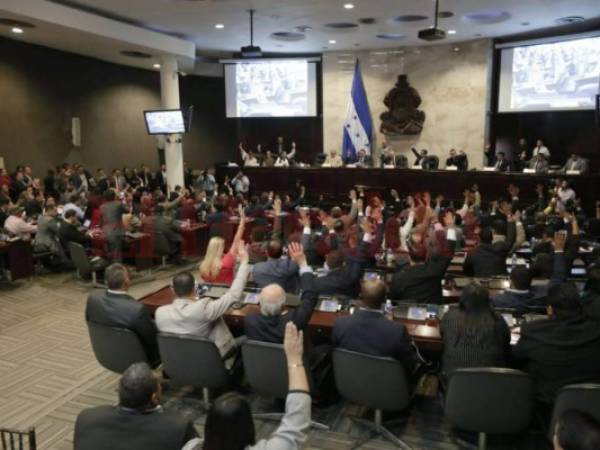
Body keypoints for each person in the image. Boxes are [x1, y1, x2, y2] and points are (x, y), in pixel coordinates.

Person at [183, 322, 311, 450]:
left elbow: (297, 419)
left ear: (209, 425)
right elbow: (297, 418)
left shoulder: (191, 446)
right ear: (248, 425)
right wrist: (295, 360)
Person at [155, 245, 250, 360]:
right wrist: (244, 262)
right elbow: (234, 295)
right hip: (209, 362)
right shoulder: (203, 309)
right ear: (196, 288)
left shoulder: (159, 313)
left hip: (179, 362)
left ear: (172, 290)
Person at [74, 362, 198, 450]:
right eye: (160, 386)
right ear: (154, 398)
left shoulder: (87, 417)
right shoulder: (178, 426)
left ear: (120, 391)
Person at [513, 282, 600, 405]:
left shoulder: (532, 331)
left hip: (545, 404)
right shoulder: (596, 330)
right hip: (591, 404)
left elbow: (516, 357)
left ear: (550, 309)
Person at [332, 279, 417, 377]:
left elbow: (336, 354)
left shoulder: (340, 323)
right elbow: (409, 367)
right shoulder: (397, 331)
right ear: (385, 299)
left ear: (360, 296)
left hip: (348, 382)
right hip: (385, 386)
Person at [244, 243, 318, 345]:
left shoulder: (250, 321)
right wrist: (303, 263)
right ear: (284, 307)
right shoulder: (295, 321)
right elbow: (310, 297)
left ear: (260, 304)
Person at [85, 264, 159, 363]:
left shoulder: (93, 299)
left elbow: (88, 320)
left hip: (106, 353)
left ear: (106, 281)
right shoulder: (137, 309)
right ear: (127, 282)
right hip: (138, 359)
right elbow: (153, 340)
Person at [440, 283, 511, 382]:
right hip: (492, 383)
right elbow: (506, 343)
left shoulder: (450, 316)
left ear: (463, 298)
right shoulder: (498, 319)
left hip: (454, 383)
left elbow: (443, 336)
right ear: (487, 300)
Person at [390, 217, 457, 303]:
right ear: (426, 256)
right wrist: (450, 227)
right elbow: (449, 251)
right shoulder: (436, 270)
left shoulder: (397, 278)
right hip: (432, 314)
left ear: (409, 256)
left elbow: (392, 302)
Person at [199, 209, 246, 285]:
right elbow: (236, 240)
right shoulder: (227, 261)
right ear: (220, 248)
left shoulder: (202, 266)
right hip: (228, 292)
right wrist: (242, 219)